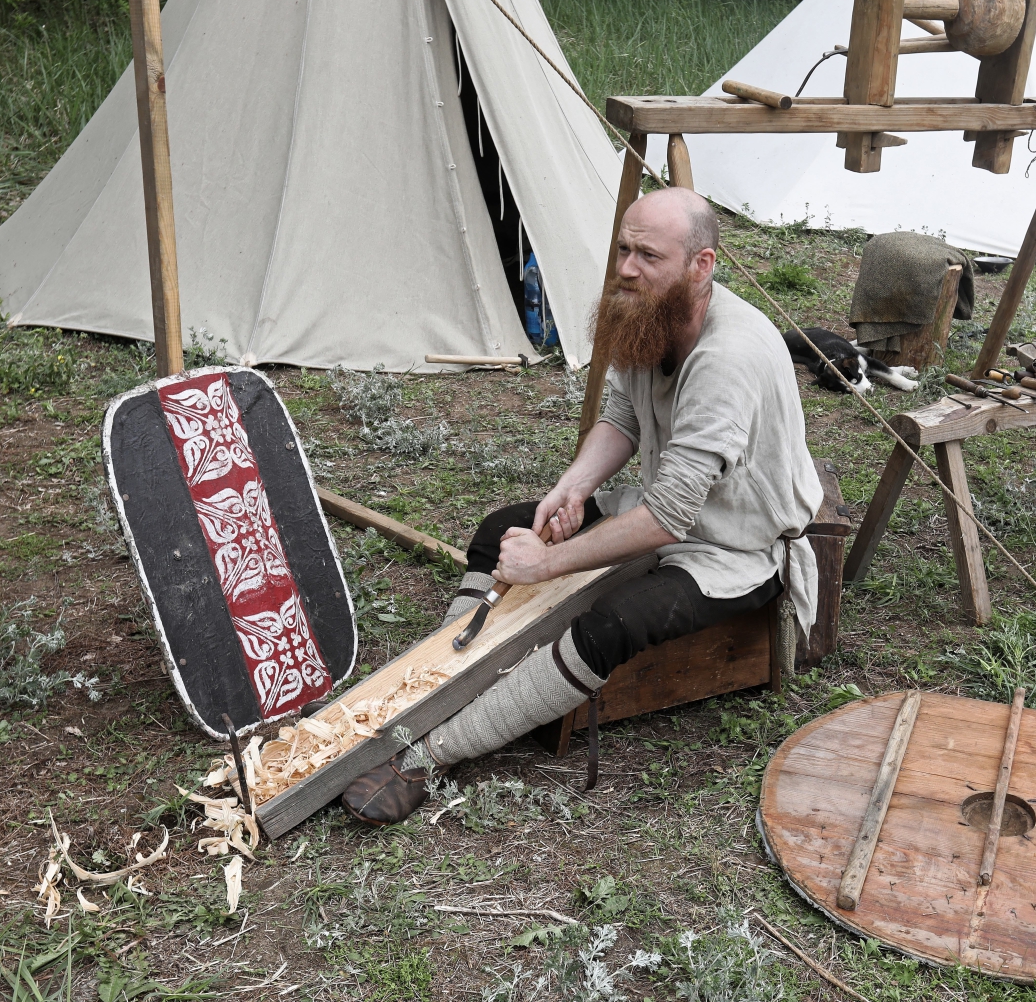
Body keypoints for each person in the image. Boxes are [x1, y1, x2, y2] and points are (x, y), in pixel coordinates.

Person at [342, 188, 823, 824]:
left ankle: (433, 751)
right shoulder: (652, 309)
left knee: (614, 623)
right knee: (500, 530)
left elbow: (667, 520)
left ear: (701, 265)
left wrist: (548, 565)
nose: (627, 268)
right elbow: (624, 415)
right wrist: (572, 485)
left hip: (737, 545)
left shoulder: (728, 358)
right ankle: (436, 685)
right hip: (668, 508)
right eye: (624, 249)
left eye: (648, 255)